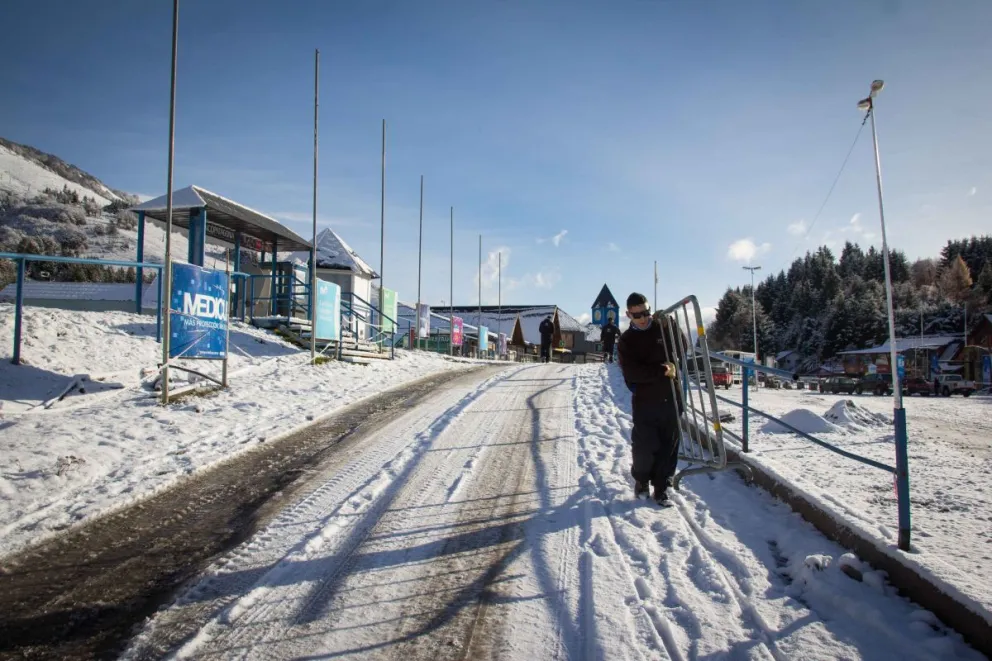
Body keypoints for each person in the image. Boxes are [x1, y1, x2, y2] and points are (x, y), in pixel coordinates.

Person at [617, 292, 686, 505]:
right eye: (637, 315)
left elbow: (682, 348)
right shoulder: (626, 341)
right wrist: (661, 371)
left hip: (671, 396)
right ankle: (642, 481)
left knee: (669, 445)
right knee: (645, 446)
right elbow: (632, 373)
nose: (643, 318)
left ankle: (662, 487)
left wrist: (671, 325)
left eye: (646, 313)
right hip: (645, 401)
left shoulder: (662, 329)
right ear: (629, 315)